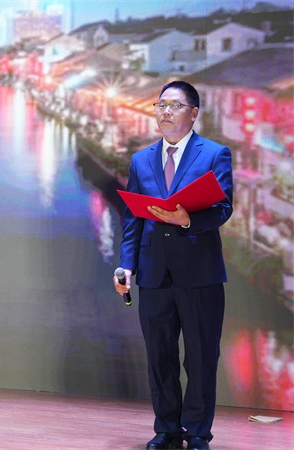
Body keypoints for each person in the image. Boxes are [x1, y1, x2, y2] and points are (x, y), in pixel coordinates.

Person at [114, 81, 233, 450]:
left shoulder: (214, 154)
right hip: (154, 274)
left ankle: (197, 432)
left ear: (193, 113)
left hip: (200, 274)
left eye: (175, 105)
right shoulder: (141, 159)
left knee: (200, 358)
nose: (165, 112)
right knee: (160, 356)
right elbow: (133, 219)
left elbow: (223, 208)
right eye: (160, 105)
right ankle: (166, 428)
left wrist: (188, 220)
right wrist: (126, 266)